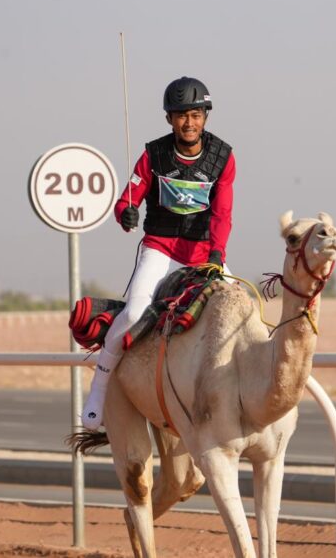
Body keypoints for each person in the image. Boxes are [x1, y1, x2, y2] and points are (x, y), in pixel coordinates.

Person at [81, 76, 236, 431]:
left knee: (238, 309)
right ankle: (99, 390)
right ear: (169, 119)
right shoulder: (153, 154)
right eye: (181, 115)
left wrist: (216, 255)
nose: (189, 123)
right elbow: (125, 201)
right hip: (159, 247)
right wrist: (126, 214)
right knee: (135, 311)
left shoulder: (223, 157)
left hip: (203, 253)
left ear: (205, 117)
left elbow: (222, 214)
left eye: (196, 115)